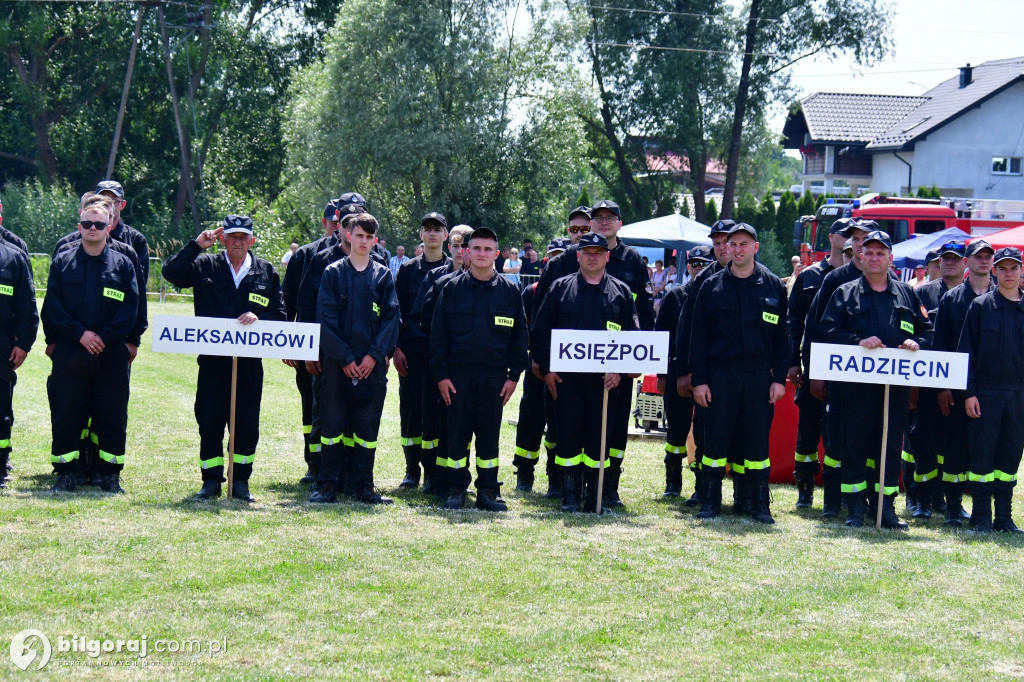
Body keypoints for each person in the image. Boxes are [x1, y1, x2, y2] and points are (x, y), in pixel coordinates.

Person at [534, 199, 654, 508]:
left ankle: (596, 494)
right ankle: (570, 495)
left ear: (607, 257)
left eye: (598, 253)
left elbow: (633, 336)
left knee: (600, 439)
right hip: (567, 381)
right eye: (586, 253)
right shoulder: (560, 288)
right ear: (577, 256)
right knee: (569, 435)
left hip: (607, 382)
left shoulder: (621, 293)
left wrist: (622, 368)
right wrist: (546, 369)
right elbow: (541, 331)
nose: (592, 258)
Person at [162, 215, 285, 502]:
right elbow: (171, 274)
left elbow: (280, 315)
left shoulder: (265, 272)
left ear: (252, 240)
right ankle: (211, 481)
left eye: (244, 237)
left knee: (245, 422)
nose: (238, 241)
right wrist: (196, 246)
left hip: (249, 364)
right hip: (213, 362)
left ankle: (240, 481)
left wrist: (260, 317)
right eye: (232, 236)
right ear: (223, 239)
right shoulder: (206, 265)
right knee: (209, 419)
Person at [820, 230, 932, 530]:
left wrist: (915, 343)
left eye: (880, 253)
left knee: (889, 447)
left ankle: (885, 509)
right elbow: (827, 330)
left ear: (890, 259)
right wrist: (857, 340)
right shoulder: (844, 293)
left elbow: (927, 331)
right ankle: (856, 508)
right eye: (868, 252)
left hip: (893, 389)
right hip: (854, 389)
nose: (873, 257)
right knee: (854, 444)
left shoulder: (908, 294)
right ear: (860, 256)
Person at [688, 224, 790, 524]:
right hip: (721, 376)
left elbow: (783, 338)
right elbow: (699, 338)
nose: (738, 249)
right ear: (727, 248)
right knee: (715, 441)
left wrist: (778, 378)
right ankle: (710, 500)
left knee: (756, 442)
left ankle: (757, 503)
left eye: (744, 244)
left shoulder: (772, 285)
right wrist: (700, 380)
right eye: (733, 244)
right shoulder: (711, 286)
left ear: (755, 248)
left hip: (759, 376)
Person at [51, 192, 148, 487]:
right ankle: (68, 472)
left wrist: (102, 338)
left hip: (110, 352)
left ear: (109, 226)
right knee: (68, 411)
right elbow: (53, 307)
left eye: (99, 224)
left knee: (111, 413)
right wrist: (80, 334)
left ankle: (109, 474)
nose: (93, 228)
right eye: (87, 223)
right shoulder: (63, 263)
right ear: (79, 226)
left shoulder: (123, 264)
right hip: (72, 350)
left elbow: (130, 309)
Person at [430, 227, 528, 511]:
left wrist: (513, 377)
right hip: (457, 377)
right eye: (476, 249)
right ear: (467, 252)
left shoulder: (510, 291)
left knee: (488, 436)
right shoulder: (452, 289)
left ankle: (488, 489)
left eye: (487, 249)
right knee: (457, 434)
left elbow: (520, 339)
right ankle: (456, 487)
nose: (482, 254)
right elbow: (439, 337)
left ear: (496, 254)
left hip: (494, 379)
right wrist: (442, 376)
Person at [309, 213, 399, 504]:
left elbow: (391, 319)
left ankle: (363, 486)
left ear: (375, 240)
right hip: (338, 365)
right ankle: (326, 485)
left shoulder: (383, 275)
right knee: (332, 424)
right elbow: (325, 319)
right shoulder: (334, 273)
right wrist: (346, 358)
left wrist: (374, 356)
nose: (363, 241)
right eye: (359, 235)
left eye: (369, 237)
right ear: (348, 235)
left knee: (366, 426)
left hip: (371, 367)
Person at [802, 218, 876, 518]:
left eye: (866, 239)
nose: (861, 245)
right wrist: (815, 373)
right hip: (839, 381)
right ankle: (833, 502)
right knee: (836, 441)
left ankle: (868, 502)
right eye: (856, 239)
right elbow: (815, 328)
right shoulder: (834, 280)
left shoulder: (891, 284)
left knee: (871, 444)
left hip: (876, 384)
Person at [958, 246, 1024, 533]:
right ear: (994, 271)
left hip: (1019, 396)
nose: (1008, 273)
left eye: (1014, 268)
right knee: (983, 455)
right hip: (985, 395)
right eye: (1003, 268)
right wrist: (969, 393)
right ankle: (982, 516)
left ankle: (1004, 518)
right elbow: (966, 352)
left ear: (1021, 272)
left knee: (1010, 456)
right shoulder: (981, 306)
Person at [281, 197, 344, 485]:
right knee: (312, 405)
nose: (337, 228)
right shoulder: (307, 256)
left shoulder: (369, 254)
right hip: (311, 347)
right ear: (325, 223)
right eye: (333, 223)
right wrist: (292, 344)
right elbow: (292, 301)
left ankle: (343, 466)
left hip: (347, 349)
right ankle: (313, 462)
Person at [786, 218, 848, 510]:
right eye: (846, 235)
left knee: (841, 435)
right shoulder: (810, 276)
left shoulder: (860, 277)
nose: (852, 240)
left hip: (849, 372)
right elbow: (795, 322)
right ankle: (805, 490)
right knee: (808, 431)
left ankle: (839, 495)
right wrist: (793, 362)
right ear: (833, 237)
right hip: (814, 367)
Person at [408, 226, 473, 498]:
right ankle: (432, 477)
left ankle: (458, 477)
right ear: (450, 248)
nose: (460, 251)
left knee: (463, 424)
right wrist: (435, 359)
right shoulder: (436, 278)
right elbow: (419, 320)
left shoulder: (483, 281)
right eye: (456, 246)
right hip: (435, 366)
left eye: (465, 246)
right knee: (432, 422)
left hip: (468, 370)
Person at [933, 239, 994, 527]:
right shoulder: (952, 299)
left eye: (987, 257)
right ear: (966, 261)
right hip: (957, 387)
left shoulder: (1006, 296)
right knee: (955, 449)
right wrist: (942, 387)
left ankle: (984, 508)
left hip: (992, 388)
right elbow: (940, 344)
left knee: (986, 449)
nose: (983, 261)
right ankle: (953, 507)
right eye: (977, 256)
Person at [906, 240, 966, 518]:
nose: (950, 262)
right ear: (938, 263)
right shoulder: (923, 293)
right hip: (930, 384)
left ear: (965, 263)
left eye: (956, 258)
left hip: (965, 385)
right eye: (946, 258)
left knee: (956, 444)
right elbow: (918, 336)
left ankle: (950, 501)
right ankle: (924, 499)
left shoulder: (980, 295)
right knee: (925, 442)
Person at [393, 213, 450, 489]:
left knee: (437, 413)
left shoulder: (454, 269)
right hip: (411, 354)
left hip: (440, 356)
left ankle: (433, 472)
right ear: (420, 234)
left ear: (445, 236)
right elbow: (397, 312)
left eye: (437, 229)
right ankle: (411, 469)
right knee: (411, 411)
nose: (432, 234)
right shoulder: (407, 270)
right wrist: (397, 348)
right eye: (427, 228)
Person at [512, 238, 568, 494]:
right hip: (536, 366)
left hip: (564, 367)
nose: (554, 262)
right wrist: (534, 356)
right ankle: (524, 471)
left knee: (559, 421)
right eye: (551, 257)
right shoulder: (531, 291)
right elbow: (524, 328)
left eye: (560, 256)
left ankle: (555, 475)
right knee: (530, 419)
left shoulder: (573, 292)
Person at [657, 245, 712, 502]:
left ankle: (701, 482)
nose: (698, 268)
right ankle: (673, 480)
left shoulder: (714, 293)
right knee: (676, 430)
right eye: (695, 264)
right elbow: (662, 337)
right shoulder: (674, 296)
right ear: (687, 266)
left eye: (704, 264)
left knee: (703, 431)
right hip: (676, 373)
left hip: (706, 376)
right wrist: (662, 375)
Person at [0, 234, 38, 487]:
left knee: (0, 408)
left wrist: (23, 343)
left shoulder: (13, 257)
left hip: (2, 345)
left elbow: (27, 306)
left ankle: (0, 463)